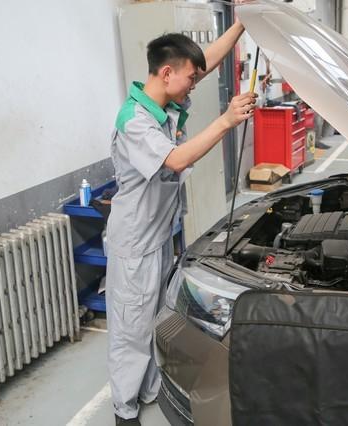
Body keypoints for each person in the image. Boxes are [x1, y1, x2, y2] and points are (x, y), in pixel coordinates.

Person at [105, 22, 255, 426]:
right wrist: (226, 120)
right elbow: (175, 160)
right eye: (190, 78)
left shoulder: (165, 104)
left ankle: (148, 390)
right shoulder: (134, 119)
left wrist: (243, 21)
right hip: (134, 243)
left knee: (154, 318)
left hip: (156, 237)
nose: (195, 84)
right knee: (131, 328)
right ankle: (124, 411)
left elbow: (205, 63)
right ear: (167, 72)